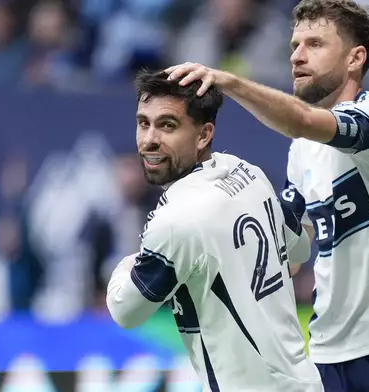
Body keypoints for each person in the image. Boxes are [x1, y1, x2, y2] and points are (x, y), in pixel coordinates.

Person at [164, 0, 369, 390]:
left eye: (314, 44)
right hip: (332, 353)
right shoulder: (303, 151)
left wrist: (230, 82)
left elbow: (301, 120)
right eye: (294, 45)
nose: (297, 56)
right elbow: (291, 253)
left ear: (355, 58)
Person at [106, 70, 323, 392]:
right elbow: (300, 250)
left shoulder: (175, 221)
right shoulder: (248, 172)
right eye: (143, 123)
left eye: (168, 125)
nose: (150, 139)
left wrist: (126, 265)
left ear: (204, 134)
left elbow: (125, 311)